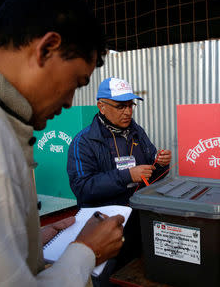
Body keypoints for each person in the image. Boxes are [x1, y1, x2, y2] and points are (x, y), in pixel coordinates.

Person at [0, 0, 125, 287]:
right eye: (77, 82)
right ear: (47, 48)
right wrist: (85, 252)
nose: (69, 102)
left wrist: (25, 239)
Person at [67, 77, 172, 285]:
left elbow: (152, 174)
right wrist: (126, 176)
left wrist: (160, 164)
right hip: (103, 230)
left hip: (137, 225)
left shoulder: (137, 132)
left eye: (130, 105)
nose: (128, 112)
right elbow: (82, 188)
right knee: (106, 280)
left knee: (136, 276)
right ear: (102, 107)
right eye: (120, 106)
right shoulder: (84, 142)